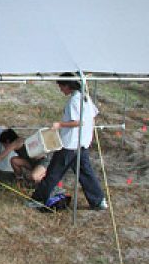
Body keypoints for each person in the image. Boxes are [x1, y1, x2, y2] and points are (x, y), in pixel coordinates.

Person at [29, 73, 107, 210]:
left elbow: (78, 122)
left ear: (67, 86)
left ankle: (38, 199)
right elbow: (93, 116)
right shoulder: (85, 98)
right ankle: (98, 201)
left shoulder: (75, 101)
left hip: (70, 145)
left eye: (61, 87)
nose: (60, 90)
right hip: (81, 144)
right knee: (85, 173)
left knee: (53, 173)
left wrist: (60, 125)